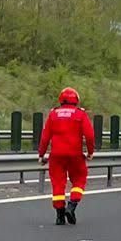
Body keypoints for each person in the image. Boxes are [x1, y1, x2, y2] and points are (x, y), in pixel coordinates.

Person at [38, 86, 97, 225]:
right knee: (79, 179)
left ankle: (59, 216)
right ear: (76, 100)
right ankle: (71, 206)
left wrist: (41, 154)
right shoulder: (80, 114)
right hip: (75, 154)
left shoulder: (53, 114)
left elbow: (45, 137)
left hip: (56, 156)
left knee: (58, 184)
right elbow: (89, 135)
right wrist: (90, 152)